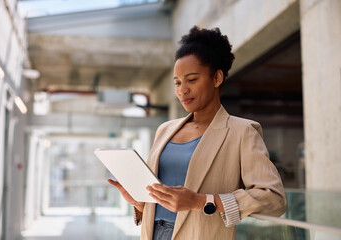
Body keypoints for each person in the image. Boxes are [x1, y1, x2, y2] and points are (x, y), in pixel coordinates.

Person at [108, 26, 286, 240]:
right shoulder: (164, 130)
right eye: (177, 82)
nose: (183, 90)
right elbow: (163, 203)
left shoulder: (242, 132)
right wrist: (139, 202)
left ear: (217, 78)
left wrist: (202, 202)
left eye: (192, 80)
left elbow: (273, 200)